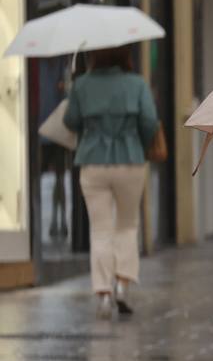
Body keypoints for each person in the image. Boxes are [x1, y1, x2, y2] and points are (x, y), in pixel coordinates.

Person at [62, 45, 159, 318]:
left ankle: (103, 294)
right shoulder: (136, 83)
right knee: (127, 225)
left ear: (94, 55)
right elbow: (150, 121)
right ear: (124, 55)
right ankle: (122, 286)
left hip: (92, 161)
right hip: (130, 159)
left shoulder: (82, 85)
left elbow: (70, 121)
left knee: (100, 229)